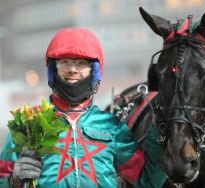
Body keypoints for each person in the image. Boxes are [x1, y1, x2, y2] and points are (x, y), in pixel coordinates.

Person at [0, 28, 167, 188]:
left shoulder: (112, 127)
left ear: (94, 71)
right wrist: (13, 181)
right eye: (64, 62)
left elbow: (148, 181)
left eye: (81, 63)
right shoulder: (29, 123)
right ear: (53, 69)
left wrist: (158, 129)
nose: (72, 69)